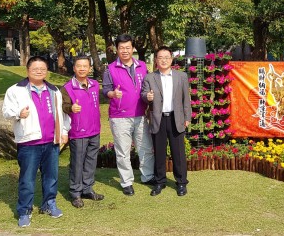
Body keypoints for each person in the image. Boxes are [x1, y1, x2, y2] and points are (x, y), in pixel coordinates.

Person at [2, 56, 70, 227]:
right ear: (28, 71)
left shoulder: (54, 90)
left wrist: (63, 131)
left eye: (43, 69)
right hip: (29, 142)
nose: (39, 71)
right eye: (35, 69)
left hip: (51, 142)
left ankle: (49, 204)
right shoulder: (16, 90)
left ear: (47, 71)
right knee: (27, 179)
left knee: (51, 176)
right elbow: (6, 111)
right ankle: (24, 211)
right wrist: (19, 113)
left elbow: (61, 115)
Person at [102, 34, 155, 196]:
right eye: (121, 48)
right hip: (120, 117)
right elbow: (105, 90)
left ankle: (148, 176)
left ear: (133, 49)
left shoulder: (143, 66)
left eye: (128, 47)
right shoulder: (110, 69)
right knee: (123, 151)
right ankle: (126, 182)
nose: (125, 51)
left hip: (140, 114)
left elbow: (147, 87)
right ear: (117, 49)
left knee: (145, 147)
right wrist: (113, 94)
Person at [141, 46, 191, 196]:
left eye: (166, 57)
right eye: (160, 57)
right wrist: (147, 97)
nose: (163, 60)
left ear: (171, 59)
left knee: (179, 154)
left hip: (176, 118)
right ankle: (160, 182)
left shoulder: (181, 76)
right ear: (156, 60)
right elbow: (144, 94)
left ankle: (181, 182)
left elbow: (186, 100)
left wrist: (187, 117)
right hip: (158, 119)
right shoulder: (150, 77)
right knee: (159, 153)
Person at [61, 56, 104, 208]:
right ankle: (75, 193)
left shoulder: (94, 85)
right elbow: (63, 106)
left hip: (94, 129)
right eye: (79, 66)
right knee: (77, 163)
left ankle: (87, 188)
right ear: (74, 68)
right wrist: (71, 108)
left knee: (91, 161)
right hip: (78, 131)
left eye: (85, 66)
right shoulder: (67, 88)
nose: (82, 69)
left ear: (90, 68)